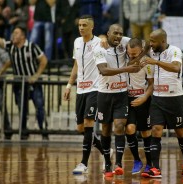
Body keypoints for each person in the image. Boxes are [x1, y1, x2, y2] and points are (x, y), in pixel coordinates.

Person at [0, 20, 48, 140]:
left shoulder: (32, 46)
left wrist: (36, 75)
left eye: (16, 33)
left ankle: (44, 132)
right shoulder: (11, 46)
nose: (13, 35)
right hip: (19, 84)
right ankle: (24, 133)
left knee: (40, 107)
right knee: (22, 109)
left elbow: (43, 60)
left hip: (34, 83)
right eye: (13, 33)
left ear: (23, 36)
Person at [142, 29, 183, 177]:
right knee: (156, 130)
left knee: (180, 132)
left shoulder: (175, 50)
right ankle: (155, 168)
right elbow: (137, 58)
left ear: (163, 41)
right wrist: (145, 49)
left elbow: (176, 67)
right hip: (157, 98)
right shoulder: (151, 52)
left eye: (153, 41)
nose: (151, 44)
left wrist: (155, 61)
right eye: (150, 40)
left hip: (174, 98)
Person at [94, 24, 141, 177]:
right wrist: (126, 69)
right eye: (115, 33)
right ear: (108, 33)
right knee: (105, 130)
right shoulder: (99, 49)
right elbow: (104, 71)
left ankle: (118, 163)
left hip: (121, 94)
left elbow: (142, 44)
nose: (119, 36)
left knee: (119, 126)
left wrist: (139, 56)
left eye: (121, 33)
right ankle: (107, 161)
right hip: (104, 94)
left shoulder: (124, 42)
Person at [63, 15, 105, 175]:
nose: (81, 27)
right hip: (80, 89)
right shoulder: (77, 42)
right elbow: (76, 65)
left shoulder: (98, 43)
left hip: (94, 89)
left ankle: (83, 163)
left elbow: (107, 41)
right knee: (80, 127)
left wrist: (104, 39)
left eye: (84, 25)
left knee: (88, 123)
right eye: (79, 25)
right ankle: (106, 151)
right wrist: (69, 85)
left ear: (92, 27)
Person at [125, 38, 154, 175]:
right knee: (130, 129)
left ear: (141, 51)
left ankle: (149, 163)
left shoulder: (147, 62)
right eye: (129, 53)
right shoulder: (123, 59)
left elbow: (151, 84)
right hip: (128, 99)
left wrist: (144, 97)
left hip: (143, 99)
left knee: (146, 132)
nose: (131, 55)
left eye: (134, 54)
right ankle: (137, 160)